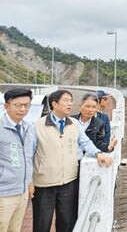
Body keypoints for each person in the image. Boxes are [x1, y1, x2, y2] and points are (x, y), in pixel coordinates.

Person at [32, 89, 113, 232]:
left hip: (68, 181)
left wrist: (98, 153)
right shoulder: (37, 125)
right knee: (42, 223)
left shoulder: (74, 124)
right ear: (54, 104)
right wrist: (29, 181)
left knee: (67, 222)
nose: (70, 104)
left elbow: (85, 142)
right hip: (45, 182)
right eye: (66, 101)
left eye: (71, 101)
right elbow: (29, 154)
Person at [0, 88, 34, 232]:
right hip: (4, 194)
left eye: (26, 105)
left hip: (22, 192)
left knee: (15, 229)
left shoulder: (28, 128)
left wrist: (30, 182)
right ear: (6, 106)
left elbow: (29, 157)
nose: (23, 109)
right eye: (18, 105)